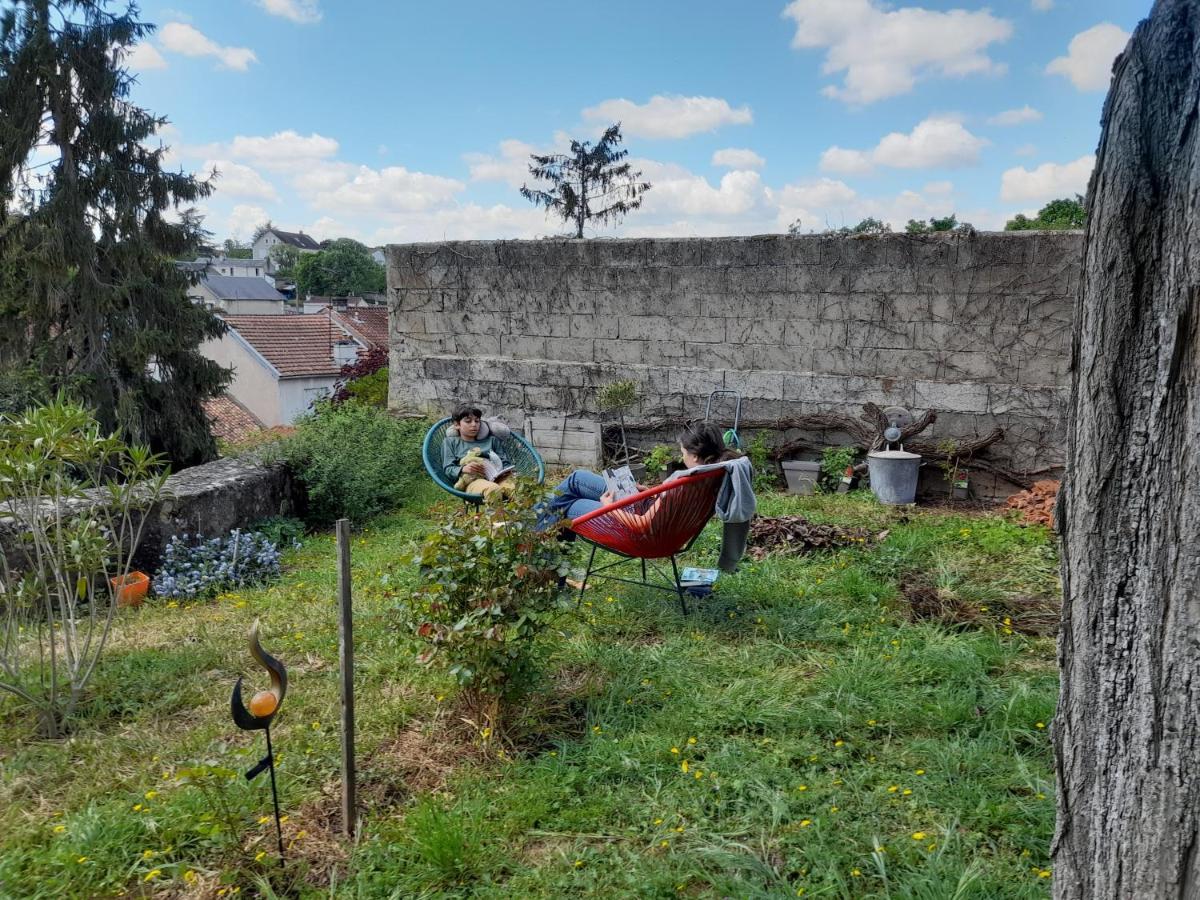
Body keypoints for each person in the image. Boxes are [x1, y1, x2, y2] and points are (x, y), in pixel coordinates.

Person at [540, 422, 756, 572]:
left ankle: (533, 545)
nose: (682, 457)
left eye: (683, 453)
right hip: (664, 530)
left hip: (642, 538)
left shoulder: (682, 485)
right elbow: (667, 506)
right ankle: (534, 532)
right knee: (577, 479)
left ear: (695, 456)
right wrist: (652, 491)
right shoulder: (714, 476)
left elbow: (642, 525)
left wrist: (609, 506)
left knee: (565, 505)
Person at [440, 404, 516, 500]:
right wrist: (463, 469)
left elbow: (504, 461)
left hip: (498, 478)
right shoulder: (450, 442)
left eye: (477, 421)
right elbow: (448, 468)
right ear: (457, 425)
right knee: (493, 489)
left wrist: (506, 470)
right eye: (468, 421)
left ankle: (526, 514)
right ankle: (496, 514)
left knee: (516, 489)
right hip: (473, 481)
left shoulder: (492, 440)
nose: (474, 425)